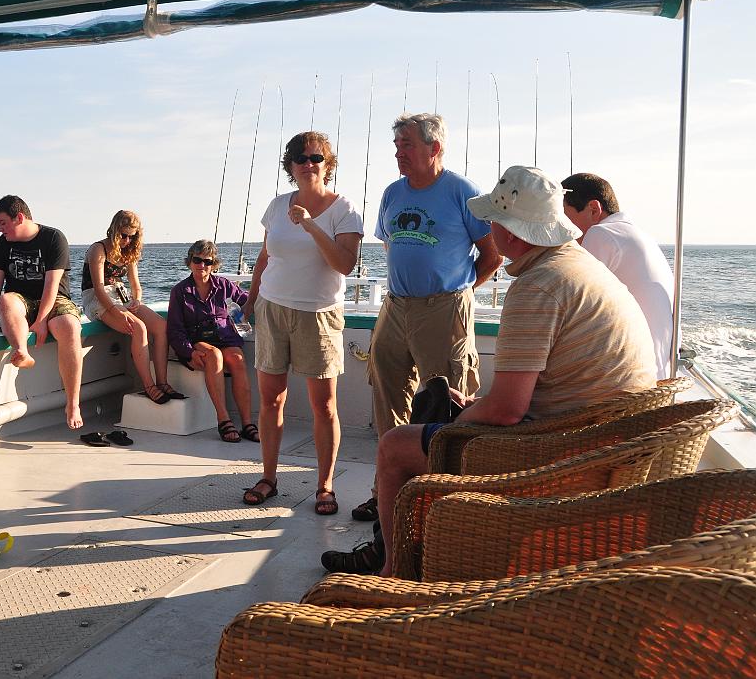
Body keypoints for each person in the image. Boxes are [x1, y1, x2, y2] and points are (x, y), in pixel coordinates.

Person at [321, 166, 656, 576]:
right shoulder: (579, 265)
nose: (487, 227)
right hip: (599, 442)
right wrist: (472, 407)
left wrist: (464, 418)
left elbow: (507, 411)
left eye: (491, 219)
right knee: (439, 406)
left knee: (395, 445)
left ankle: (392, 569)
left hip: (560, 454)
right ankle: (408, 547)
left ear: (511, 234)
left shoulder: (537, 286)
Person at [353, 112, 503, 523]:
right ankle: (386, 492)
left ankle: (442, 496)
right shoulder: (392, 193)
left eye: (407, 145)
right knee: (388, 397)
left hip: (444, 307)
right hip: (395, 307)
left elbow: (492, 255)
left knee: (448, 402)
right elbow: (391, 246)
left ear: (434, 148)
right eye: (396, 145)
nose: (398, 153)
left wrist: (458, 293)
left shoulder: (462, 191)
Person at [242, 131, 364, 515]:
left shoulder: (344, 210)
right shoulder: (277, 206)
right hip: (273, 309)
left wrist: (311, 225)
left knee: (323, 406)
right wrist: (251, 298)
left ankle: (324, 486)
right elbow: (265, 256)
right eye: (300, 158)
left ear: (328, 164)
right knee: (271, 400)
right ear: (290, 166)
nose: (308, 164)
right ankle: (268, 477)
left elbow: (345, 264)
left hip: (318, 314)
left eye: (316, 157)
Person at [0, 195, 85, 431]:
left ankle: (73, 404)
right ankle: (22, 351)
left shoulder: (54, 238)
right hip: (21, 300)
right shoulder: (3, 243)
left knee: (70, 327)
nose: (0, 229)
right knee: (5, 300)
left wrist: (41, 321)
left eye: (2, 223)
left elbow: (51, 286)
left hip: (54, 298)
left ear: (19, 218)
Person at [562, 173, 675, 379]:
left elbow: (571, 306)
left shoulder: (601, 234)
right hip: (657, 373)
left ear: (593, 209)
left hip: (627, 377)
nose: (561, 227)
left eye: (564, 217)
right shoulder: (640, 236)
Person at [83, 210, 183, 411]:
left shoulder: (129, 251)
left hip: (121, 296)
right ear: (114, 231)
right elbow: (98, 288)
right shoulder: (98, 249)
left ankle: (162, 382)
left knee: (161, 326)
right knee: (139, 328)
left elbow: (135, 285)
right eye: (123, 235)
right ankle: (149, 385)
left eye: (132, 236)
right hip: (98, 298)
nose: (127, 240)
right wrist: (116, 310)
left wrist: (136, 300)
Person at [167, 240, 255, 442]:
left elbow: (247, 299)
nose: (202, 265)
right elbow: (175, 330)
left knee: (237, 358)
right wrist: (189, 352)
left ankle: (247, 423)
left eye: (207, 261)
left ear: (214, 264)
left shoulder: (224, 286)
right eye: (197, 260)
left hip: (224, 339)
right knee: (214, 355)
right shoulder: (180, 291)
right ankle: (223, 419)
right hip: (196, 342)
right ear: (190, 262)